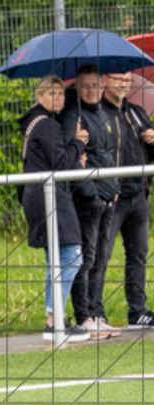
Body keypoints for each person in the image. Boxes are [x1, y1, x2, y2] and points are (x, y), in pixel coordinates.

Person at [18, 75, 90, 342]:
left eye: (61, 94)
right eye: (51, 93)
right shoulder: (46, 125)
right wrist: (79, 143)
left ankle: (54, 318)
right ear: (39, 97)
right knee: (72, 254)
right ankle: (53, 320)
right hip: (49, 197)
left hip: (40, 196)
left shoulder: (39, 123)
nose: (57, 98)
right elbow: (61, 164)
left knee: (57, 260)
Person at [59, 64, 120, 339]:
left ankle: (96, 313)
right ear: (77, 87)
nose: (91, 90)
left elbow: (105, 155)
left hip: (108, 198)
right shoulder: (74, 115)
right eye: (85, 86)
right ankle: (83, 316)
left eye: (95, 85)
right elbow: (73, 160)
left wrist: (112, 188)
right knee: (86, 258)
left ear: (103, 84)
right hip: (89, 201)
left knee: (100, 258)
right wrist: (92, 193)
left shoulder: (102, 114)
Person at [97, 71, 154, 329]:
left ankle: (137, 311)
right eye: (118, 79)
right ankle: (94, 311)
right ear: (105, 80)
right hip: (112, 197)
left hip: (138, 195)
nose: (124, 84)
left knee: (138, 254)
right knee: (101, 254)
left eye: (127, 80)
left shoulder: (137, 113)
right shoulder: (97, 113)